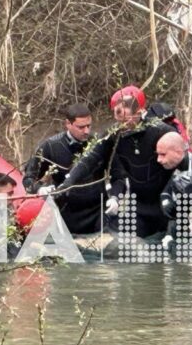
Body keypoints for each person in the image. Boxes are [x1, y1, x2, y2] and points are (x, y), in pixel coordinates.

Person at [58, 85, 173, 238]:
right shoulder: (114, 134)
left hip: (168, 207)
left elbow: (183, 167)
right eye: (119, 120)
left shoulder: (161, 131)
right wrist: (68, 183)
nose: (123, 125)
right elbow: (90, 159)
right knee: (114, 239)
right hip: (140, 209)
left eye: (127, 120)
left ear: (140, 111)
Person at [22, 103, 103, 234]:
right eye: (81, 127)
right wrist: (40, 189)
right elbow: (28, 179)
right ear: (68, 124)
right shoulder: (50, 146)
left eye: (89, 126)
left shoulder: (98, 142)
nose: (86, 131)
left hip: (99, 210)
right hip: (67, 213)